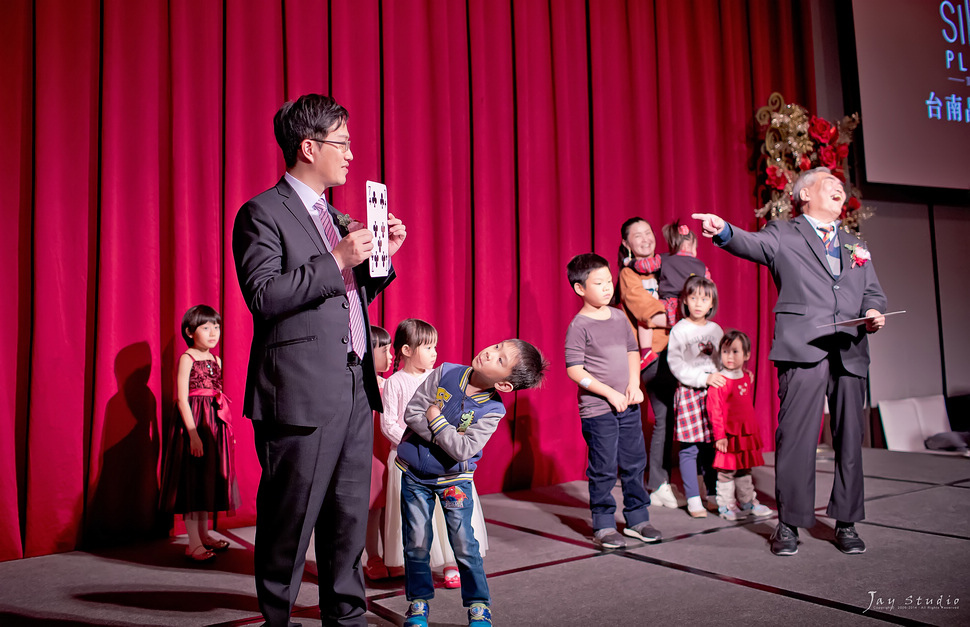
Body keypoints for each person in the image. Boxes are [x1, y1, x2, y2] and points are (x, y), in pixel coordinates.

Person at [232, 93, 407, 626]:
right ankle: (276, 620)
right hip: (301, 395)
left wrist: (378, 260)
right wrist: (336, 259)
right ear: (309, 147)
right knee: (290, 523)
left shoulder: (336, 215)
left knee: (348, 522)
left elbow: (337, 301)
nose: (352, 154)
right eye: (343, 143)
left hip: (356, 386)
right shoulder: (262, 212)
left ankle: (348, 619)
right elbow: (263, 296)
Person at [693, 166, 887, 556]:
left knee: (850, 437)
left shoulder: (854, 243)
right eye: (828, 184)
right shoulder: (785, 233)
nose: (838, 187)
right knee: (796, 437)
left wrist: (873, 313)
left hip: (850, 349)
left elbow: (873, 293)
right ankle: (790, 523)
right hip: (803, 346)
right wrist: (724, 230)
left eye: (839, 185)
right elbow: (749, 244)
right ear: (803, 196)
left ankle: (846, 522)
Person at [396, 340, 548, 627]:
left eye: (501, 360)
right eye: (497, 346)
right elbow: (413, 413)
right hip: (414, 475)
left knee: (465, 544)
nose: (490, 352)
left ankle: (479, 606)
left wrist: (437, 421)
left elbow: (464, 450)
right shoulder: (445, 372)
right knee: (415, 543)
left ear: (504, 386)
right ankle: (418, 604)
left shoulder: (492, 410)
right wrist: (447, 438)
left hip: (454, 481)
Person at [379, 319, 489, 588]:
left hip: (443, 457)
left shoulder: (441, 377)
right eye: (427, 347)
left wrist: (448, 440)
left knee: (448, 512)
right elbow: (388, 423)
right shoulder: (396, 382)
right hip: (409, 459)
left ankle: (452, 563)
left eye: (435, 347)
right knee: (417, 517)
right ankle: (422, 567)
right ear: (406, 350)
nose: (434, 353)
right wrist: (415, 443)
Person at [565, 253, 662, 549]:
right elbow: (574, 369)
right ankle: (604, 523)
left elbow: (633, 350)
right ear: (580, 289)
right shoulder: (579, 325)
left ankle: (637, 517)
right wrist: (609, 393)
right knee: (604, 467)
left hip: (629, 404)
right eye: (599, 283)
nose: (607, 288)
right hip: (598, 410)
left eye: (609, 281)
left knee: (634, 461)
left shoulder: (619, 317)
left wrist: (634, 385)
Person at [159, 305, 239, 562]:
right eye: (206, 327)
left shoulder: (216, 360)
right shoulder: (187, 358)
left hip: (213, 424)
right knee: (193, 482)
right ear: (190, 331)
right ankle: (193, 542)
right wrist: (192, 434)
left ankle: (204, 535)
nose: (213, 332)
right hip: (194, 422)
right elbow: (182, 399)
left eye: (216, 327)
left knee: (207, 481)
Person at [615, 218, 680, 510]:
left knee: (685, 417)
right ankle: (658, 483)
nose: (645, 239)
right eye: (637, 236)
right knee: (663, 417)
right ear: (626, 244)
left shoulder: (669, 266)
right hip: (654, 354)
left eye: (648, 233)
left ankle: (701, 480)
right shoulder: (628, 275)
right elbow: (647, 312)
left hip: (682, 349)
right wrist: (685, 314)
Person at [667, 276, 724, 518]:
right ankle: (693, 498)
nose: (699, 303)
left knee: (712, 447)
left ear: (712, 303)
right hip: (690, 392)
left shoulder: (715, 330)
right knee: (690, 449)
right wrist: (703, 378)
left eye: (704, 298)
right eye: (693, 298)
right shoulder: (680, 329)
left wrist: (733, 375)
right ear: (685, 301)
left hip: (713, 394)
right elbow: (675, 364)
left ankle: (712, 494)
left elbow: (722, 360)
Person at [707, 330, 773, 521]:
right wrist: (720, 436)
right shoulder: (719, 381)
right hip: (728, 436)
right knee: (726, 472)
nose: (730, 356)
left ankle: (747, 501)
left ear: (746, 355)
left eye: (735, 352)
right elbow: (715, 411)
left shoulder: (747, 377)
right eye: (726, 351)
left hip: (745, 434)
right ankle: (726, 505)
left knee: (744, 469)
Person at [364, 326, 393, 580]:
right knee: (372, 508)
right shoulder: (361, 386)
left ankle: (392, 555)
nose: (391, 355)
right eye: (385, 349)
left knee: (390, 507)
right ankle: (372, 557)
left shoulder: (389, 384)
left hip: (388, 453)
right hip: (368, 454)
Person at [657, 220, 711, 327]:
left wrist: (631, 262)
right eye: (695, 248)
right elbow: (708, 286)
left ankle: (646, 344)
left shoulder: (662, 259)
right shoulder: (701, 266)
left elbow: (645, 266)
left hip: (666, 306)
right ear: (687, 247)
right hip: (691, 308)